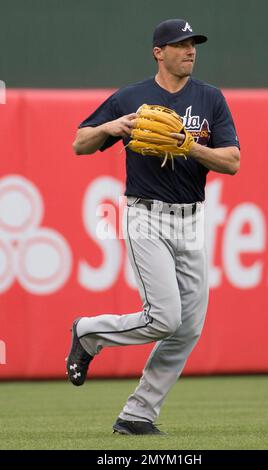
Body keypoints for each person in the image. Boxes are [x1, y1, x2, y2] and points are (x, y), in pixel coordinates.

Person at [68, 18, 240, 435]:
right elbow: (79, 142)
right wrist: (110, 127)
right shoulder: (133, 98)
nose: (190, 50)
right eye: (180, 44)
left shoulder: (211, 99)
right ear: (158, 52)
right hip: (146, 214)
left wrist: (190, 145)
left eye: (193, 43)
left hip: (192, 218)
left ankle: (137, 414)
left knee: (189, 327)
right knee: (165, 318)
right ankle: (88, 332)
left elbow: (232, 162)